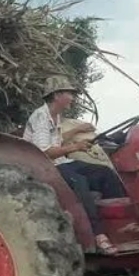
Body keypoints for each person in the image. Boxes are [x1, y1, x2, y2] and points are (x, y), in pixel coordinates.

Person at [23, 75, 125, 255]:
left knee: (104, 173)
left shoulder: (56, 117)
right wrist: (76, 146)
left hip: (61, 162)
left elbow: (58, 141)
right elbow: (44, 151)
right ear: (56, 96)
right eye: (69, 94)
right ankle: (98, 235)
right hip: (44, 166)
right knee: (79, 182)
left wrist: (78, 134)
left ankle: (120, 227)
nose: (72, 98)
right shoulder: (41, 117)